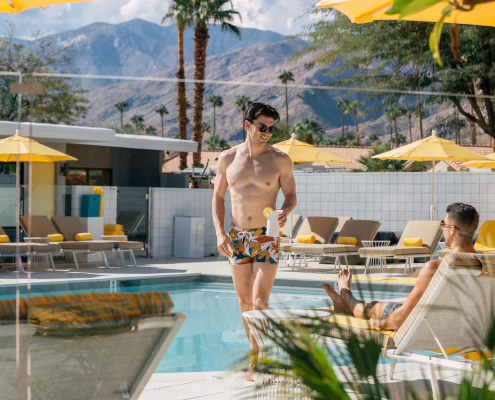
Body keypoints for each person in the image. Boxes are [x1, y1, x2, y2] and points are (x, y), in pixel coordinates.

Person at [212, 102, 297, 381]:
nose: (267, 133)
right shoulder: (227, 158)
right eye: (263, 127)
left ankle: (263, 362)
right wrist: (220, 233)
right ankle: (253, 360)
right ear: (247, 124)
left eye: (272, 128)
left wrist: (286, 210)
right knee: (244, 302)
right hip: (237, 237)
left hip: (267, 236)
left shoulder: (280, 159)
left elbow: (291, 195)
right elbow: (218, 198)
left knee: (261, 301)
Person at [323, 203, 479, 331]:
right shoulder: (486, 266)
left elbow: (399, 320)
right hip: (461, 330)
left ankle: (346, 296)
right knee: (400, 304)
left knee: (372, 308)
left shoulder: (434, 268)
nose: (442, 228)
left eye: (443, 224)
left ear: (452, 230)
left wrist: (381, 323)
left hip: (426, 329)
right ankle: (344, 301)